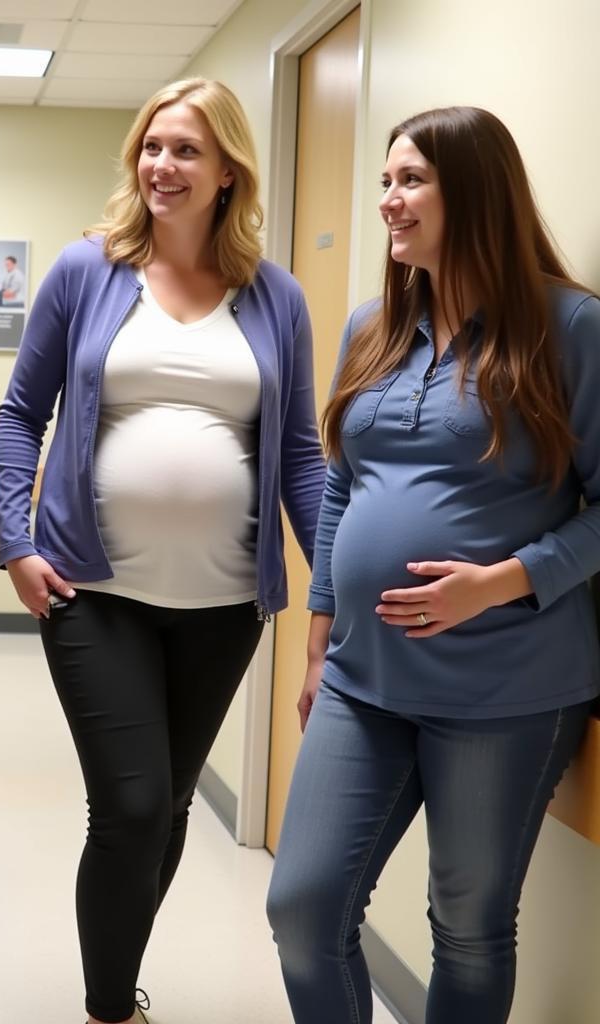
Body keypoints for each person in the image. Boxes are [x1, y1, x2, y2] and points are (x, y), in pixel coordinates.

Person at [0, 77, 325, 1024]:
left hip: (223, 606)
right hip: (92, 592)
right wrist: (15, 540)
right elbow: (21, 414)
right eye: (151, 147)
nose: (162, 167)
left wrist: (329, 583)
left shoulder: (276, 297)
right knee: (134, 806)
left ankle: (116, 975)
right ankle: (108, 1007)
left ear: (228, 172)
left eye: (185, 151)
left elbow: (298, 452)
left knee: (170, 807)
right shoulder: (84, 270)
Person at [266, 106, 600, 1024]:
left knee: (468, 924)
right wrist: (321, 627)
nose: (388, 201)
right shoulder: (376, 326)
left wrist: (503, 580)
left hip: (509, 681)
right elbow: (342, 488)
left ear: (476, 193)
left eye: (409, 181)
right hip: (363, 678)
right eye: (384, 181)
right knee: (301, 907)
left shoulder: (569, 328)